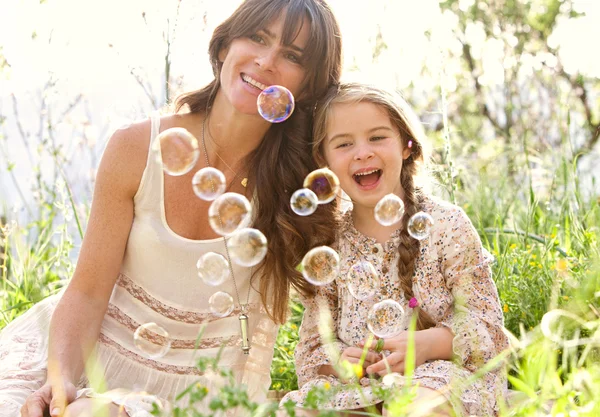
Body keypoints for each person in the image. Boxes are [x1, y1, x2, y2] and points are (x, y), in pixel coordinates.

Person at [0, 1, 342, 416]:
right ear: (223, 48)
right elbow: (88, 293)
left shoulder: (302, 184)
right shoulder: (135, 148)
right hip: (86, 361)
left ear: (307, 87)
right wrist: (60, 381)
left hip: (207, 394)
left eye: (292, 56)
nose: (267, 61)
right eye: (257, 37)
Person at [281, 83, 509, 416]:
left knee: (414, 408)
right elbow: (315, 349)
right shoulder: (329, 244)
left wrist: (427, 344)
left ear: (406, 144)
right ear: (323, 160)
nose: (362, 152)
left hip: (440, 377)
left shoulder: (446, 225)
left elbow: (487, 326)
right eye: (344, 144)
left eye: (377, 137)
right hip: (358, 388)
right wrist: (340, 361)